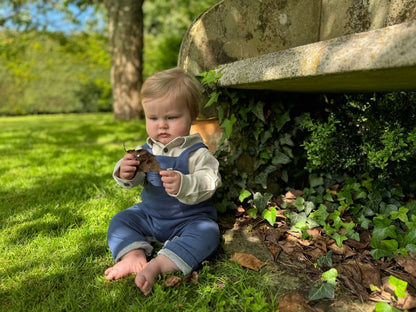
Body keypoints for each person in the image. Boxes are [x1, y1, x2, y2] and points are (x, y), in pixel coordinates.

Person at [105, 67, 222, 296]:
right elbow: (135, 179)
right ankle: (133, 256)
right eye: (153, 118)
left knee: (209, 233)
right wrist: (124, 172)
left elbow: (210, 180)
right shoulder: (145, 151)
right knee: (121, 220)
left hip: (190, 220)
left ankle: (159, 265)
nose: (162, 125)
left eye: (171, 117)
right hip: (150, 215)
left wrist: (185, 184)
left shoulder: (197, 153)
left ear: (192, 115)